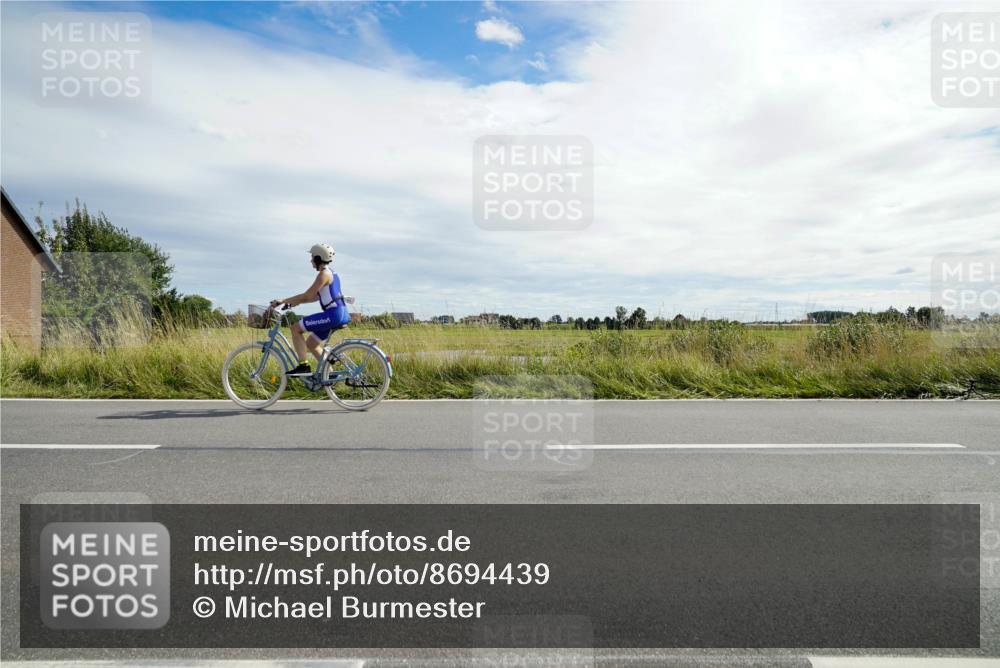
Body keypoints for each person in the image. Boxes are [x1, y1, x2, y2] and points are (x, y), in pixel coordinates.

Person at [271, 243, 351, 375]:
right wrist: (293, 303)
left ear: (319, 258)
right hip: (340, 313)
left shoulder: (323, 274)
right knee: (311, 344)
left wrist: (282, 301)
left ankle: (303, 366)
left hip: (333, 314)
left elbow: (306, 296)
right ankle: (329, 376)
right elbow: (315, 296)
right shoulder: (333, 273)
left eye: (313, 257)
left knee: (295, 328)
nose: (311, 260)